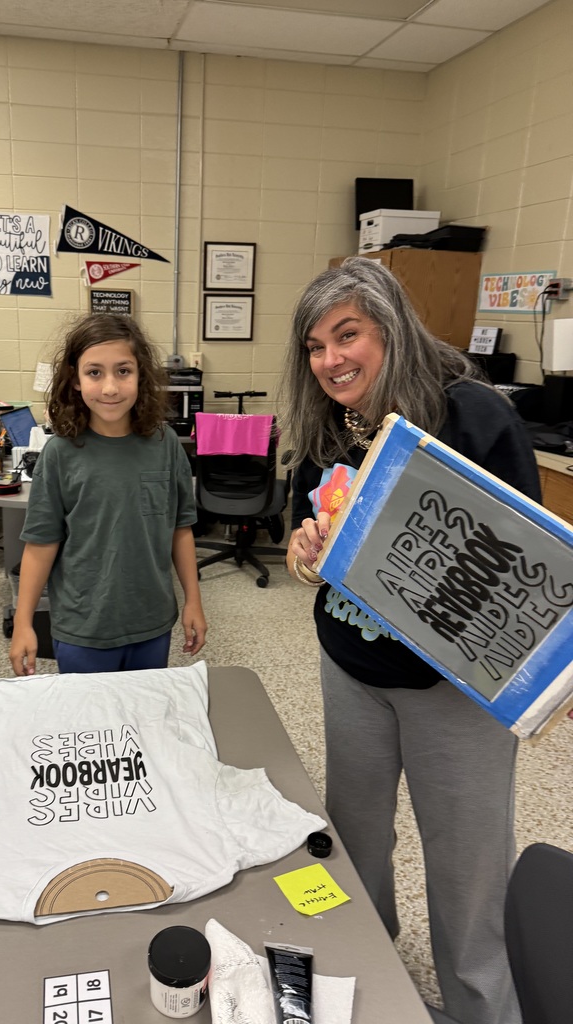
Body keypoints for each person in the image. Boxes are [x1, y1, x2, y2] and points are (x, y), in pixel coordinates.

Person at [280, 257, 541, 1024]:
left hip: (456, 690)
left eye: (347, 334)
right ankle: (369, 976)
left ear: (390, 327)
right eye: (316, 347)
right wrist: (305, 556)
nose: (331, 360)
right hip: (352, 669)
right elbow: (310, 539)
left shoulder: (473, 415)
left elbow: (528, 562)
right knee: (356, 839)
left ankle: (480, 1008)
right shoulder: (332, 424)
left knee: (467, 868)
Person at [9, 312, 206, 676]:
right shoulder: (61, 453)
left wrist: (193, 600)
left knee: (141, 719)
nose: (110, 388)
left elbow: (180, 529)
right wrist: (23, 622)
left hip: (151, 621)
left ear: (141, 375)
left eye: (123, 371)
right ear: (75, 379)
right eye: (95, 372)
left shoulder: (165, 446)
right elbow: (41, 544)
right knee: (91, 723)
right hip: (83, 627)